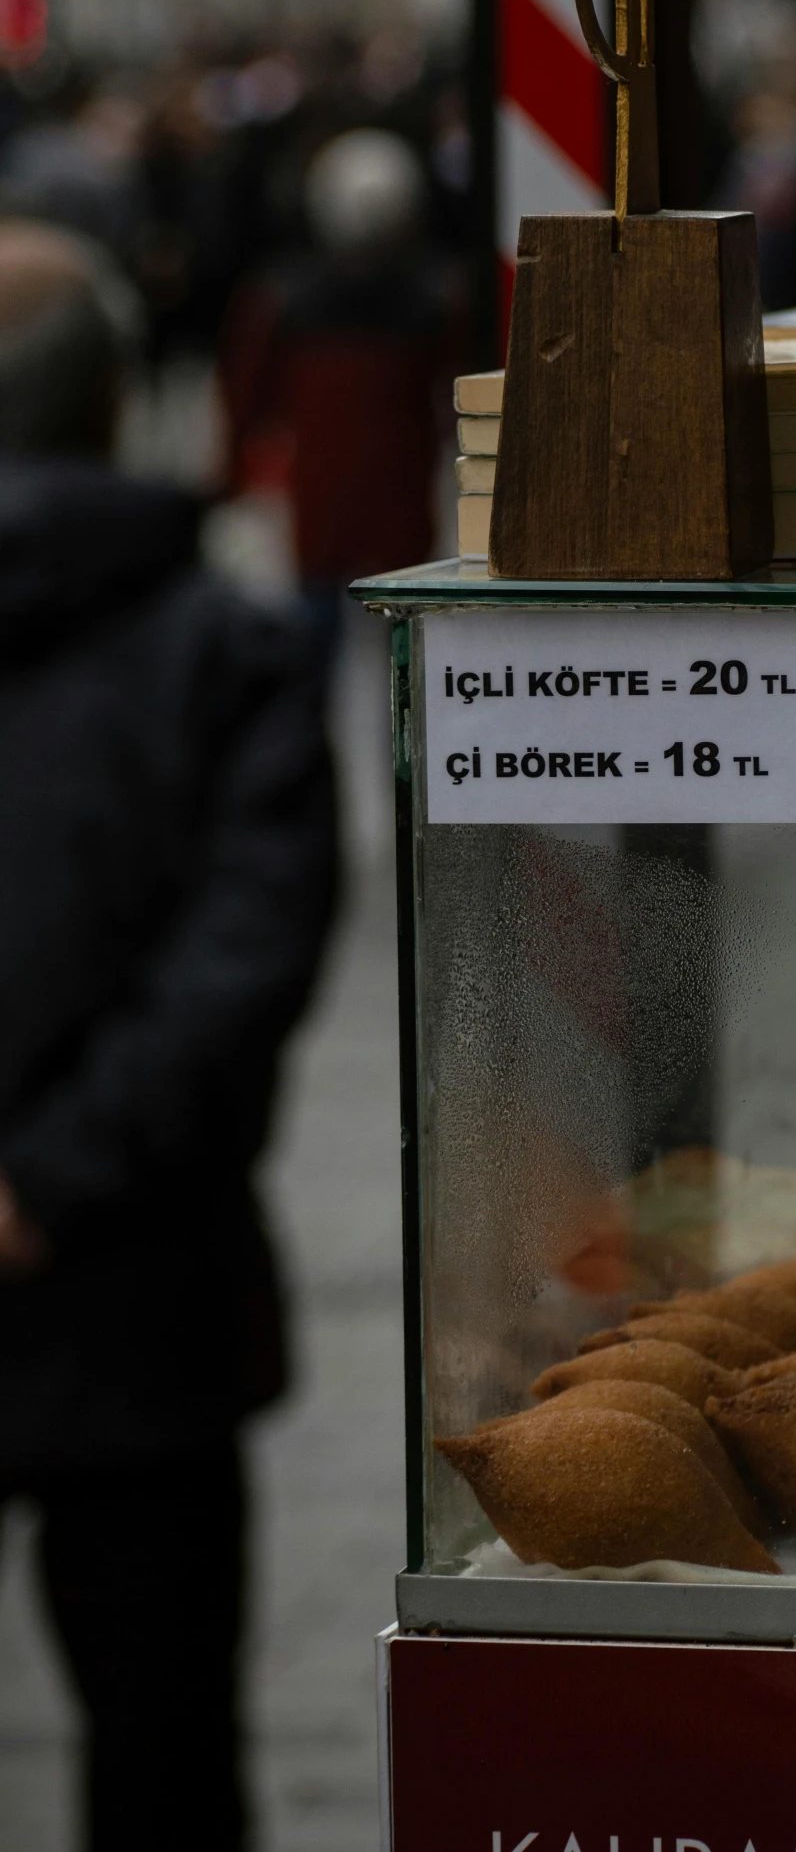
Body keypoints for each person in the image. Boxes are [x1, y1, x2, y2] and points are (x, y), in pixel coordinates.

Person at [0, 219, 338, 1850]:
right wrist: (53, 1178)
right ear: (116, 396)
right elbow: (246, 951)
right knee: (163, 1748)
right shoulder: (224, 642)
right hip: (147, 1278)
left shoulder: (224, 641)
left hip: (129, 1270)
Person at [220, 126, 466, 658]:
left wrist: (228, 478)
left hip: (326, 510)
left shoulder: (281, 300)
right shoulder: (434, 302)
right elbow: (456, 407)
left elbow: (247, 407)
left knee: (316, 650)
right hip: (392, 508)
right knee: (396, 659)